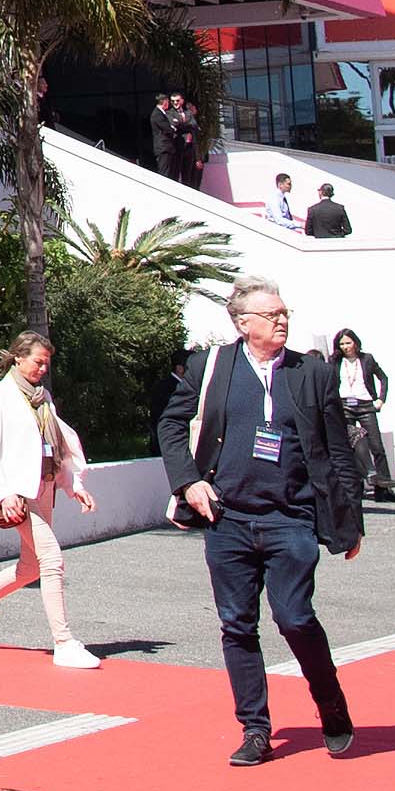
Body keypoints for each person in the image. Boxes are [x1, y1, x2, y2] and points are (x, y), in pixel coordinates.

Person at [157, 278, 361, 764]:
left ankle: (329, 702)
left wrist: (350, 520)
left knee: (294, 617)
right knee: (237, 626)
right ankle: (254, 728)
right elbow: (169, 424)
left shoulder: (310, 373)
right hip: (228, 518)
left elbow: (337, 450)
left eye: (284, 312)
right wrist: (188, 482)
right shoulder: (212, 368)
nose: (282, 320)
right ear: (242, 323)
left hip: (291, 518)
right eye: (271, 315)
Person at [0, 331, 99, 667]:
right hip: (20, 493)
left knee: (31, 566)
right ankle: (63, 643)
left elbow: (59, 442)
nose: (42, 369)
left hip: (44, 487)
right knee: (52, 561)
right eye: (38, 361)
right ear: (19, 357)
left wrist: (74, 484)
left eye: (46, 363)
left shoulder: (43, 396)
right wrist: (4, 492)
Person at [325, 327, 395, 502]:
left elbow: (383, 378)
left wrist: (381, 399)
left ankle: (384, 489)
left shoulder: (367, 359)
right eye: (342, 343)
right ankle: (355, 486)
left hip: (366, 405)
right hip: (344, 405)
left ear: (356, 343)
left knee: (377, 447)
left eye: (348, 343)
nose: (345, 347)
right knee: (350, 447)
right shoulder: (335, 361)